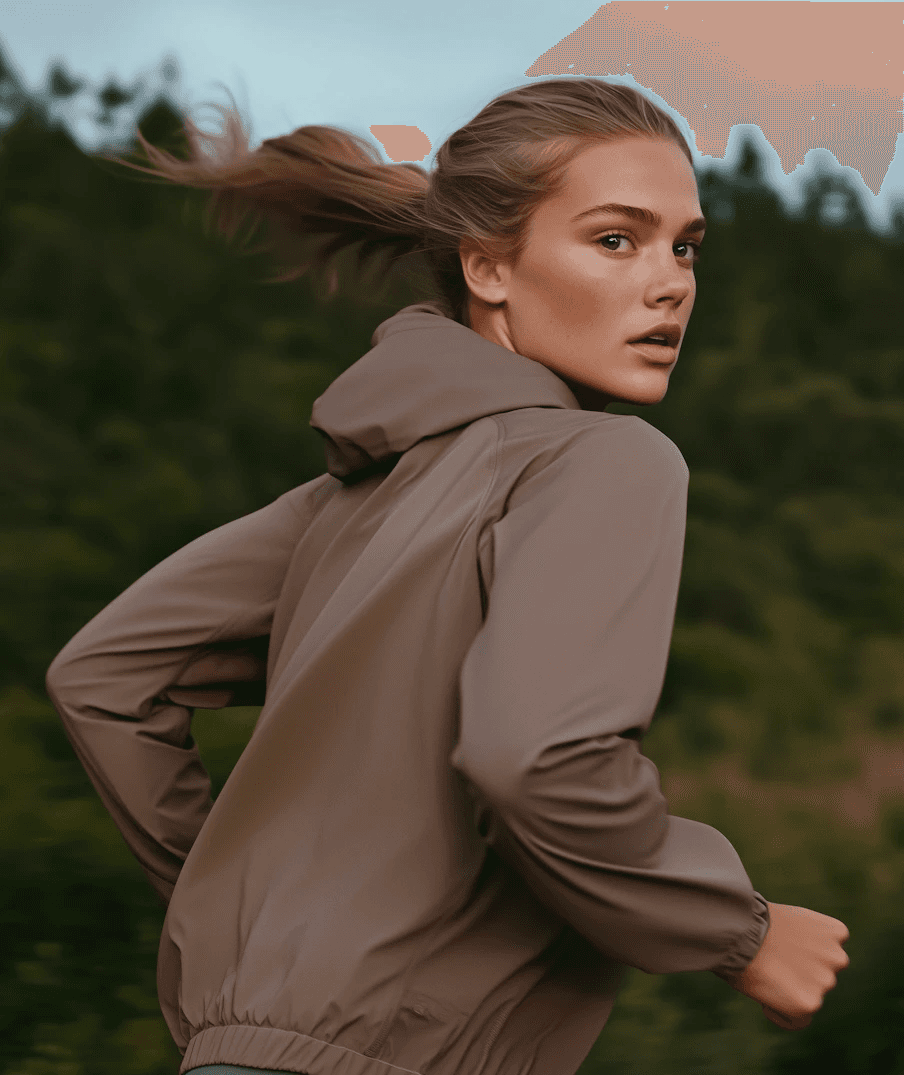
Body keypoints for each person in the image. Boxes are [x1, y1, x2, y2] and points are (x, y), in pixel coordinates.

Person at [45, 77, 849, 1075]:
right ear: (487, 267)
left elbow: (105, 677)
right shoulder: (604, 461)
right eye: (615, 239)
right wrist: (741, 931)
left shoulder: (345, 502)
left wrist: (262, 921)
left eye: (683, 246)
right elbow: (536, 761)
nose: (670, 282)